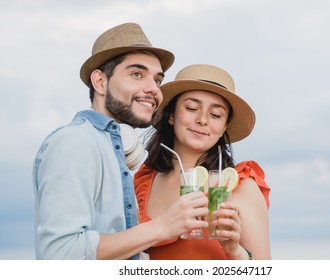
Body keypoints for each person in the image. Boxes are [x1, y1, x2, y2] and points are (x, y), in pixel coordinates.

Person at [32, 23, 209, 260]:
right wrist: (162, 227)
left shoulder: (117, 152)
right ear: (100, 82)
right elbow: (62, 254)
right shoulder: (75, 143)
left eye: (157, 80)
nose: (153, 89)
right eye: (137, 74)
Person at [134, 64, 271, 259]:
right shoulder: (144, 181)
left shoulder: (239, 186)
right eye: (191, 108)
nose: (203, 120)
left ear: (224, 127)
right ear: (171, 115)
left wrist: (236, 252)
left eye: (216, 115)